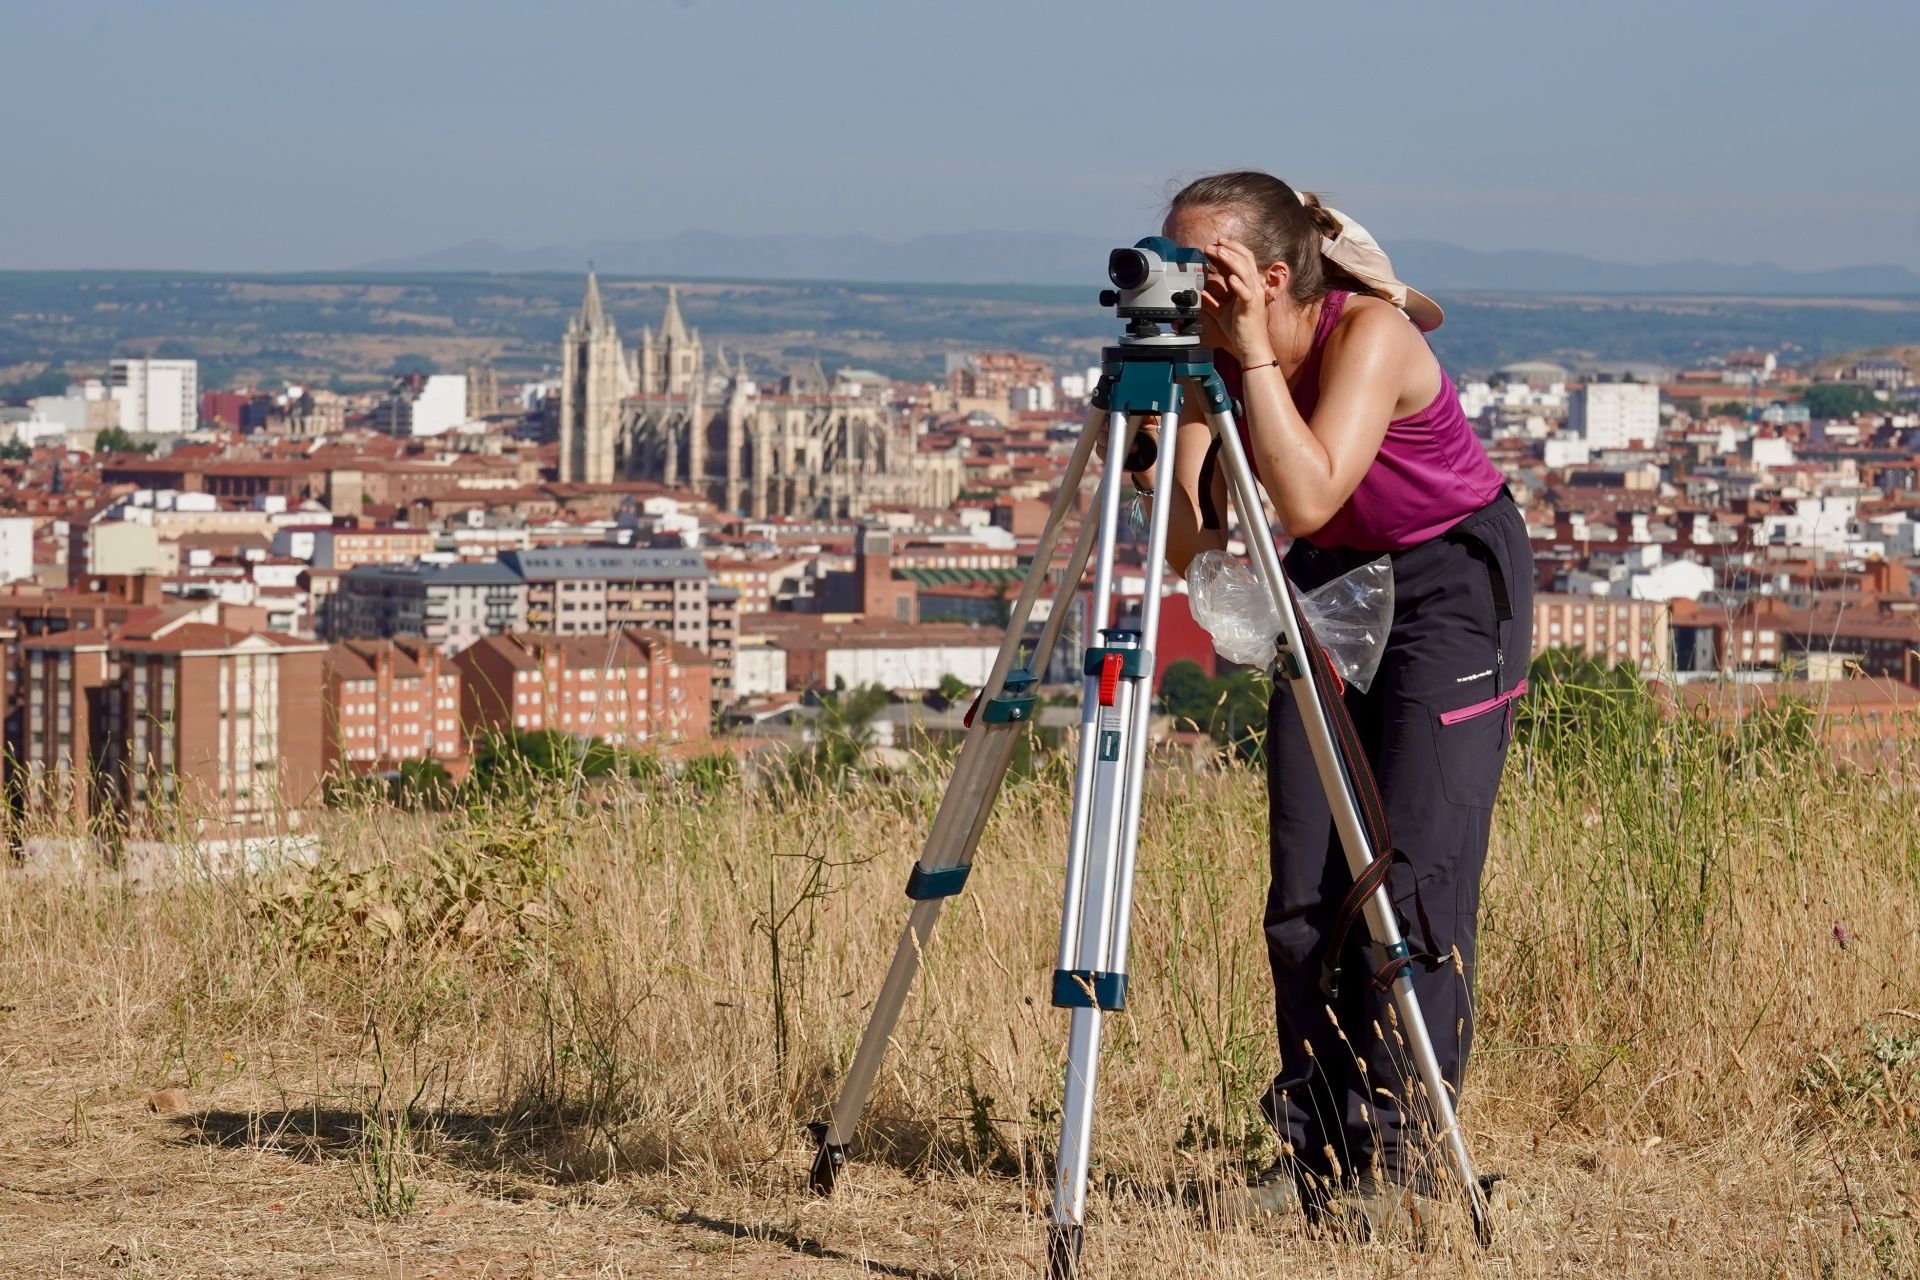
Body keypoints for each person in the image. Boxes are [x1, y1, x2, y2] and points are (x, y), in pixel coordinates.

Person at [1123, 170, 1532, 1233]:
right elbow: (1186, 546)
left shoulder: (1372, 335)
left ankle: (1399, 1156)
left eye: (1202, 265)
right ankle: (1319, 1148)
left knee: (1413, 874)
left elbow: (1305, 492)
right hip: (1332, 576)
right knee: (1306, 880)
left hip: (1449, 579)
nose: (1186, 282)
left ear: (1268, 275)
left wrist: (1250, 355)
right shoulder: (1221, 352)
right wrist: (1171, 410)